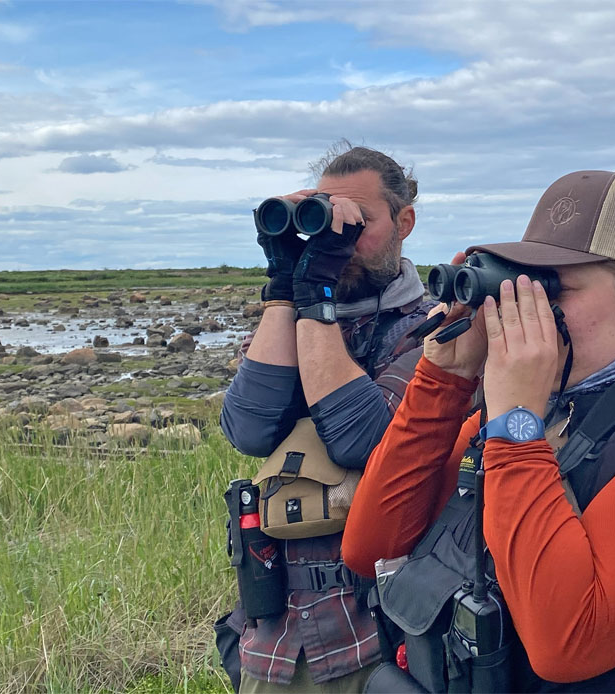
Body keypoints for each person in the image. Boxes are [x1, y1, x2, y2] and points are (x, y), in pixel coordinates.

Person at [343, 170, 615, 693]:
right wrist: (444, 380)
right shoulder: (543, 413)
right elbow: (371, 548)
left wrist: (515, 425)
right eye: (523, 284)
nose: (527, 309)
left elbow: (566, 642)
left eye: (555, 288)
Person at [215, 144, 437, 693]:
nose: (342, 243)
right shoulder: (290, 323)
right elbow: (249, 428)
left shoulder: (432, 328)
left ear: (405, 222)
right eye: (328, 220)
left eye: (359, 224)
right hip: (274, 638)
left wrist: (319, 294)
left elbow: (361, 438)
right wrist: (285, 282)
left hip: (380, 637)